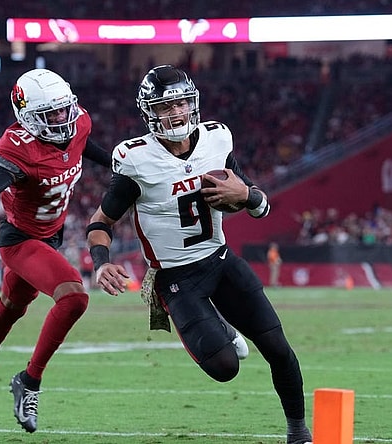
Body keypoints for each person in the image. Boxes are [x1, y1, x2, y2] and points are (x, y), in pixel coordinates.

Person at [85, 65, 312, 444]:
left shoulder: (216, 140)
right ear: (148, 113)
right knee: (225, 368)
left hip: (220, 261)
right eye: (164, 106)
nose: (174, 113)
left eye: (180, 103)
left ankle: (298, 432)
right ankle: (222, 328)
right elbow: (100, 222)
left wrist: (248, 197)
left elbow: (256, 202)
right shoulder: (136, 160)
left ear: (193, 104)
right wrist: (101, 261)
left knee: (278, 348)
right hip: (176, 279)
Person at [0, 68, 113, 433]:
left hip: (51, 236)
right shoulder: (18, 147)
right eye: (50, 114)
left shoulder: (79, 122)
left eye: (63, 109)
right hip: (21, 240)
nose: (61, 118)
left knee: (11, 308)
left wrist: (121, 166)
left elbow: (85, 146)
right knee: (74, 297)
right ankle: (30, 380)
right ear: (27, 116)